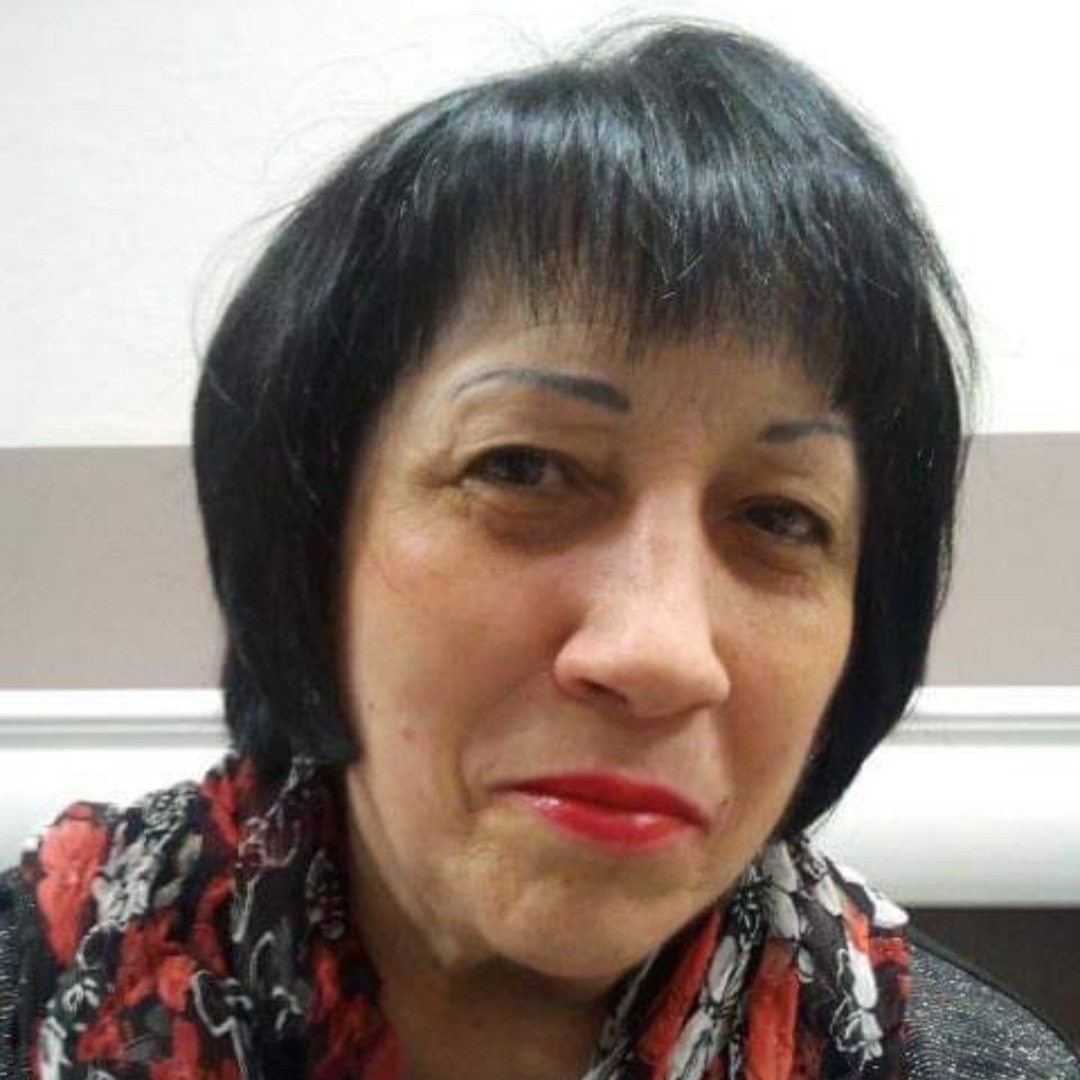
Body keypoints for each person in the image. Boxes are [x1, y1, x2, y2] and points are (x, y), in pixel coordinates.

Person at [1, 20, 1076, 1080]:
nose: (659, 652)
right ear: (312, 538)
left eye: (781, 520)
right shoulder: (32, 987)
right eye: (522, 468)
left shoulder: (968, 1067)